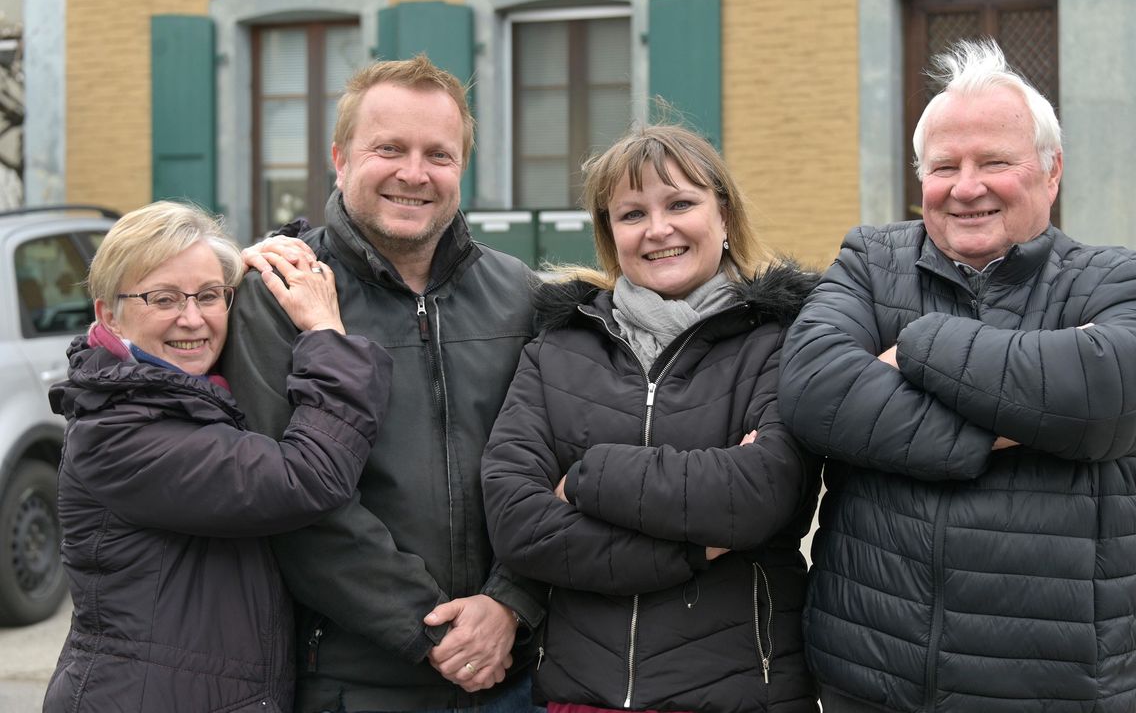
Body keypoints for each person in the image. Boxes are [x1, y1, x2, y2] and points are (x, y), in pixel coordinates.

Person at [778, 39, 1136, 713]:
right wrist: (1028, 409)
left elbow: (1109, 395)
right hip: (871, 679)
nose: (966, 187)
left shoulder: (1121, 280)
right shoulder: (869, 262)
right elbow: (814, 389)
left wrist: (913, 347)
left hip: (1054, 690)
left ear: (1051, 173)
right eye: (944, 166)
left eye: (994, 161)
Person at [222, 55, 543, 712]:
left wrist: (511, 602)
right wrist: (435, 629)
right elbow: (288, 496)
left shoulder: (522, 297)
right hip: (354, 680)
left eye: (439, 154)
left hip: (514, 674)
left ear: (462, 168)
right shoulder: (277, 295)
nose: (414, 173)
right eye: (388, 148)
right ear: (340, 158)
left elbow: (559, 463)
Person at [481, 124, 823, 713]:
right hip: (579, 696)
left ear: (723, 215)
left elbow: (760, 494)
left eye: (681, 204)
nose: (658, 229)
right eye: (632, 213)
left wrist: (589, 477)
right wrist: (692, 549)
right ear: (610, 234)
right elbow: (519, 525)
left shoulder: (783, 340)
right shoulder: (556, 349)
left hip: (744, 694)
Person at [43, 201, 392, 713]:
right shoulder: (117, 432)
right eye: (163, 298)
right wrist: (325, 337)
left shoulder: (185, 391)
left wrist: (253, 275)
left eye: (209, 295)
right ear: (108, 315)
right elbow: (306, 477)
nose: (192, 318)